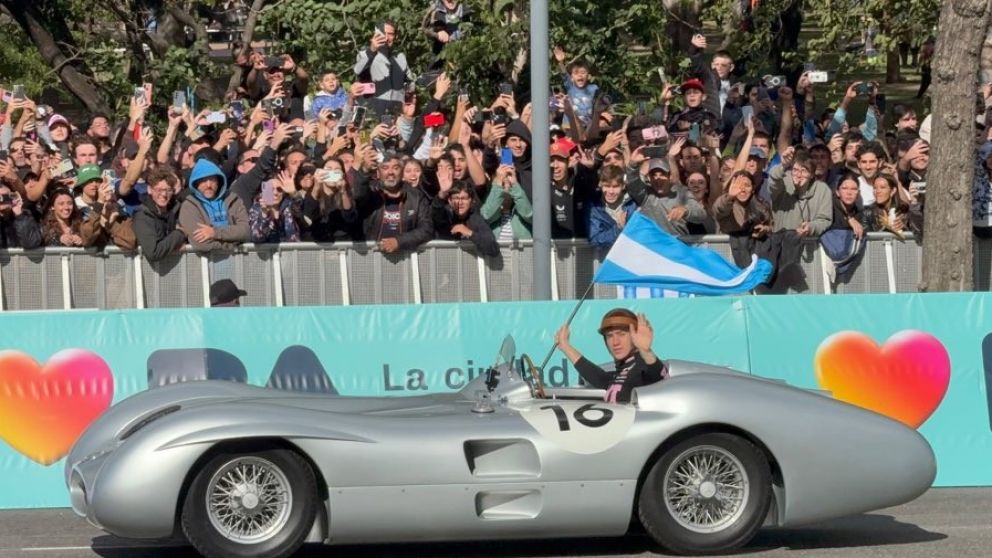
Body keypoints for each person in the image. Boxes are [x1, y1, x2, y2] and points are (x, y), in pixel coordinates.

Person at [554, 309, 668, 404]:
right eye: (609, 336)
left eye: (621, 334)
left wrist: (646, 351)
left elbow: (659, 377)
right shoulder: (623, 370)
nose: (615, 342)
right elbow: (599, 377)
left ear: (635, 336)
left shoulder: (642, 367)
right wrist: (565, 346)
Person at [354, 20, 415, 115]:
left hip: (396, 109)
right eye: (383, 34)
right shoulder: (365, 54)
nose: (386, 38)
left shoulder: (400, 57)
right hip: (371, 107)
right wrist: (372, 50)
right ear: (376, 35)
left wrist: (409, 93)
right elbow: (358, 70)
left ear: (395, 36)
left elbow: (410, 83)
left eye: (390, 34)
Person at [134, 167, 187, 262]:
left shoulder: (176, 210)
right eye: (159, 190)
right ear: (150, 190)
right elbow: (153, 253)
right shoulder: (143, 215)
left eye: (168, 190)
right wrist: (179, 234)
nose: (164, 194)